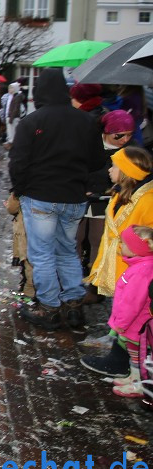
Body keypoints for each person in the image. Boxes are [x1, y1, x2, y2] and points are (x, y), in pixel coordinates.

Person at [8, 67, 104, 331]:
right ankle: (73, 304)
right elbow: (97, 161)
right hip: (73, 197)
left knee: (42, 254)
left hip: (40, 196)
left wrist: (21, 188)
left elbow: (18, 161)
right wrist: (87, 186)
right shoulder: (85, 121)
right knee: (66, 250)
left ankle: (49, 307)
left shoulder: (33, 121)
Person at [79, 226, 153, 395]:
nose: (121, 246)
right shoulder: (139, 265)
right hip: (133, 324)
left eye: (125, 244)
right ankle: (134, 377)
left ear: (137, 249)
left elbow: (132, 303)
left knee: (139, 355)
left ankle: (140, 384)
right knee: (135, 353)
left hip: (135, 325)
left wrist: (120, 324)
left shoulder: (142, 271)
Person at [77, 110, 135, 292]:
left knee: (98, 240)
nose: (125, 139)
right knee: (76, 239)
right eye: (119, 136)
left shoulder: (130, 151)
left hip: (106, 202)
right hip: (81, 198)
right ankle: (73, 281)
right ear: (106, 132)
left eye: (129, 135)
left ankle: (94, 286)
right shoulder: (89, 144)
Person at [85, 146, 153, 299]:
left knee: (132, 310)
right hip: (118, 264)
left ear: (126, 171)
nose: (109, 170)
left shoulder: (147, 201)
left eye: (114, 166)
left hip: (135, 270)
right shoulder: (119, 193)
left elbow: (150, 237)